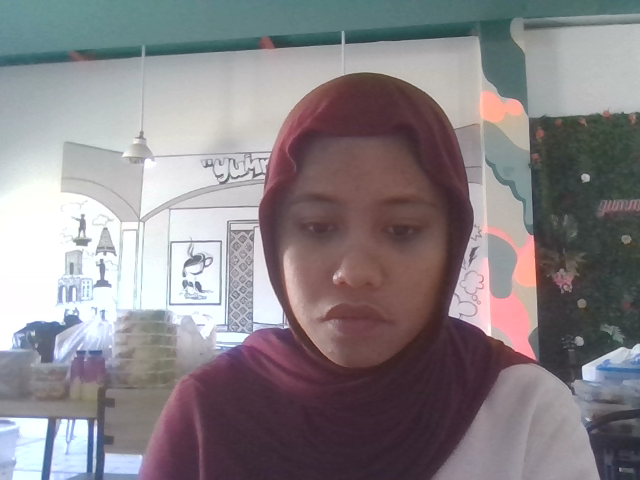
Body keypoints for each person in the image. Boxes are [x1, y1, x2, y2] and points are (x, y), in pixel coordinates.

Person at [140, 73, 598, 479]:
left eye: (402, 230)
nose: (354, 274)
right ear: (275, 240)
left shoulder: (524, 411)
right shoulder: (209, 409)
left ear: (452, 243)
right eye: (318, 227)